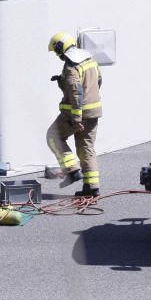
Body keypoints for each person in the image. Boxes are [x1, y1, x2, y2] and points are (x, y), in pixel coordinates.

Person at [47, 32, 103, 197]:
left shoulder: (71, 65)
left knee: (53, 136)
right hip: (93, 112)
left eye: (57, 51)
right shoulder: (89, 59)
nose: (58, 55)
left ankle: (72, 171)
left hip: (75, 114)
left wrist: (76, 118)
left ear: (60, 47)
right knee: (87, 149)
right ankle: (91, 187)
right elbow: (98, 80)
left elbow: (76, 92)